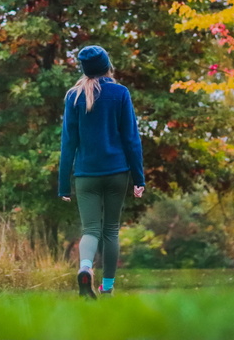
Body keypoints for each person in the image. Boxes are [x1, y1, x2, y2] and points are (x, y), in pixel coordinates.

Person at [58, 45, 145, 299]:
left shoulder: (73, 97)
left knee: (90, 230)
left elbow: (68, 142)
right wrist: (139, 178)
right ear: (108, 66)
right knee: (111, 230)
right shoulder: (120, 93)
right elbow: (131, 139)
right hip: (117, 172)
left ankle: (85, 268)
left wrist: (64, 185)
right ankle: (107, 288)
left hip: (86, 174)